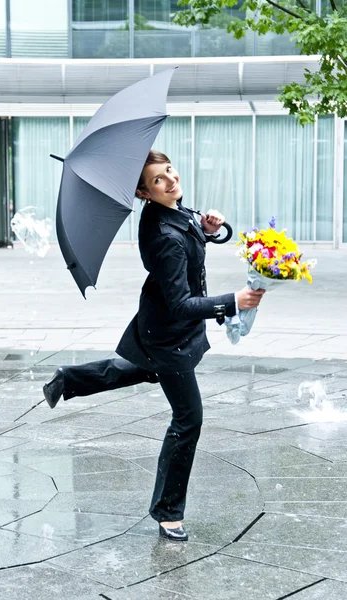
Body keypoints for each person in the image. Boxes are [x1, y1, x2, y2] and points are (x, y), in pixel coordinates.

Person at [43, 150, 265, 542]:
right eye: (159, 180)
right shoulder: (163, 236)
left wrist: (212, 229)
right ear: (144, 193)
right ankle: (167, 513)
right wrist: (233, 301)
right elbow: (181, 304)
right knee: (188, 419)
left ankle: (69, 378)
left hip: (162, 326)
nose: (171, 180)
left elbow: (194, 237)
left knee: (141, 369)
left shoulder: (173, 210)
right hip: (170, 336)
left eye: (169, 171)